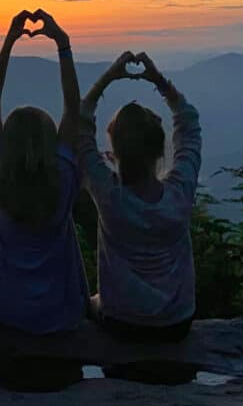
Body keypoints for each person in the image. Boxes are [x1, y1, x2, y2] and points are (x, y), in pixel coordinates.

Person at [79, 50, 202, 342]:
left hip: (121, 321)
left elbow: (79, 129)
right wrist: (159, 81)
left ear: (114, 154)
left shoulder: (109, 196)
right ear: (160, 151)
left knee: (87, 300)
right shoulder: (179, 193)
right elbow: (189, 125)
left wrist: (108, 78)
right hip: (177, 322)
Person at [0, 9, 88, 334]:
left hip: (8, 312)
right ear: (50, 141)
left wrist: (9, 42)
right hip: (62, 315)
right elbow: (73, 108)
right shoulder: (63, 175)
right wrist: (63, 43)